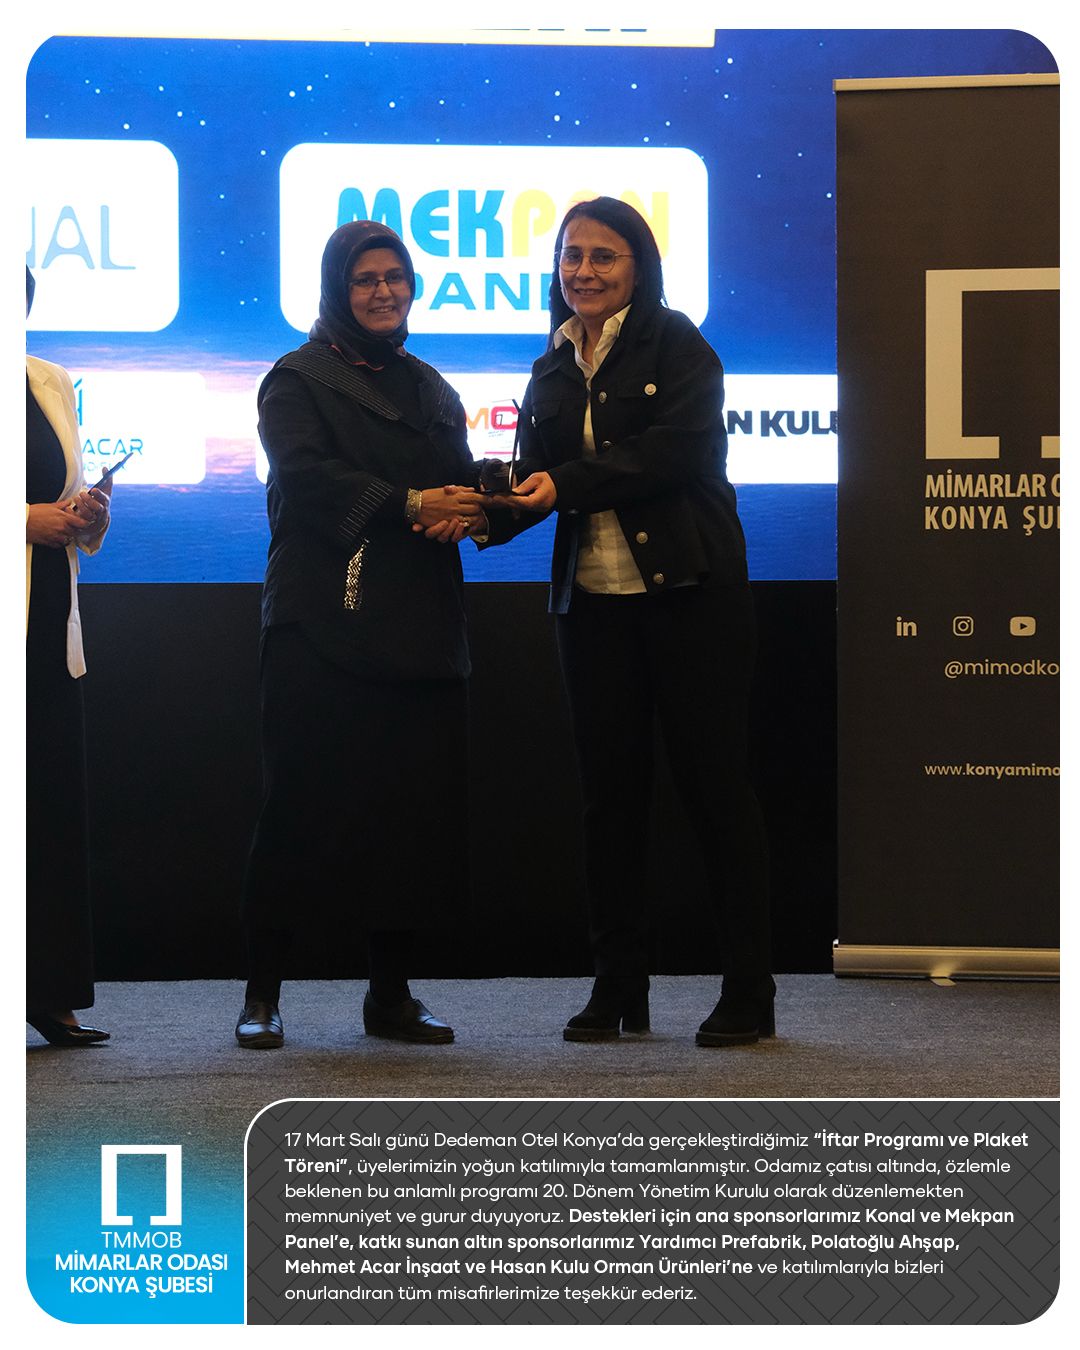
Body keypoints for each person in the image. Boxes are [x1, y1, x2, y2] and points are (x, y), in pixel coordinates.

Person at [484, 197, 774, 1045]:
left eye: (603, 256)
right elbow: (538, 484)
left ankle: (748, 990)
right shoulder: (549, 366)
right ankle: (618, 986)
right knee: (608, 805)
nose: (584, 271)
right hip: (592, 609)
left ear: (638, 267)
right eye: (572, 255)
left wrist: (561, 486)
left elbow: (671, 455)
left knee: (715, 793)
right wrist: (477, 513)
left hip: (692, 601)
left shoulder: (679, 344)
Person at [235, 221, 485, 1049]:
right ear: (338, 290)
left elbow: (455, 481)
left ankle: (391, 997)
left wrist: (478, 504)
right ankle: (262, 995)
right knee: (298, 808)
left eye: (396, 277)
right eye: (365, 279)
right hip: (320, 624)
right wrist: (413, 504)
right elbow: (308, 479)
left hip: (417, 623)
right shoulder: (296, 379)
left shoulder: (431, 387)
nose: (384, 292)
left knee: (406, 815)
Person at [25, 266, 112, 1047]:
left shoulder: (47, 379)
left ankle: (48, 994)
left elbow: (66, 498)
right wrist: (23, 519)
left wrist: (88, 517)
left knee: (46, 810)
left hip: (49, 628)